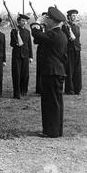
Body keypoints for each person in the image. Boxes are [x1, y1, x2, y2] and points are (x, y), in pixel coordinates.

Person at [31, 7, 68, 138]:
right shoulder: (60, 35)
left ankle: (51, 131)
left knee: (50, 102)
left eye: (48, 19)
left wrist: (37, 22)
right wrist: (43, 27)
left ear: (53, 21)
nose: (46, 20)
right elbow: (38, 40)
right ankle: (55, 130)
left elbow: (36, 34)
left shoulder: (54, 35)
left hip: (51, 72)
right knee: (55, 102)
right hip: (56, 71)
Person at [10, 14, 33, 99]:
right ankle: (17, 92)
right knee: (17, 74)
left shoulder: (27, 31)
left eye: (25, 21)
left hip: (26, 55)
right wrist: (16, 41)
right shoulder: (14, 31)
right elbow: (12, 44)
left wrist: (31, 56)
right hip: (17, 55)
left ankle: (24, 91)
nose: (25, 22)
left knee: (25, 74)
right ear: (18, 22)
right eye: (23, 21)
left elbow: (29, 44)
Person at [63, 9, 82, 95]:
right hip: (69, 50)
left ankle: (77, 89)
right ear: (69, 17)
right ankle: (69, 90)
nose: (75, 17)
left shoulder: (77, 27)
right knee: (69, 71)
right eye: (73, 15)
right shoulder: (65, 27)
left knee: (77, 71)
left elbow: (77, 39)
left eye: (75, 15)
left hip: (77, 50)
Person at [34, 12, 47, 95]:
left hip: (48, 51)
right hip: (41, 50)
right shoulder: (39, 28)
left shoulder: (49, 28)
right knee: (40, 69)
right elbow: (35, 41)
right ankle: (39, 88)